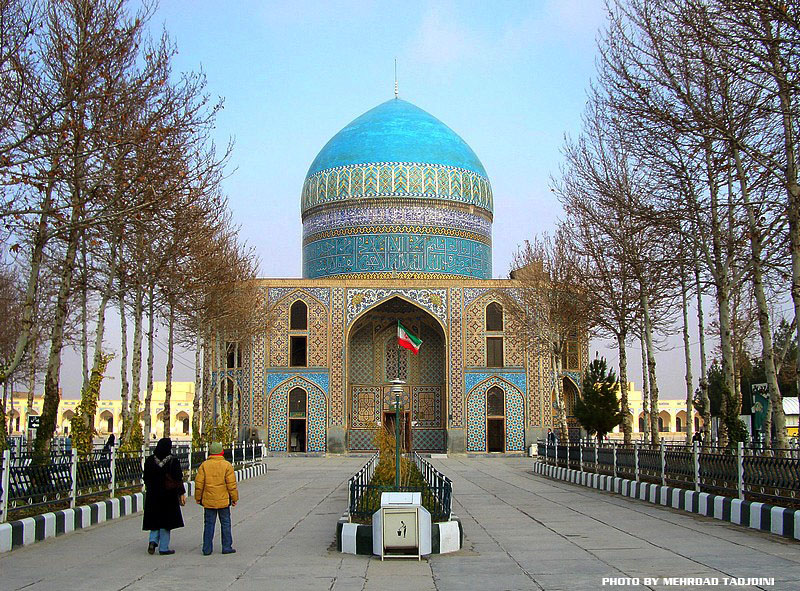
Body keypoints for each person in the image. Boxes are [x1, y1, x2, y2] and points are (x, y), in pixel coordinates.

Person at [142, 437, 186, 555]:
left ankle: (152, 541)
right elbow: (178, 478)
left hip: (153, 495)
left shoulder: (150, 460)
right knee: (166, 522)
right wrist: (181, 493)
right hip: (168, 495)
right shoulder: (173, 461)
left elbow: (145, 477)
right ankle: (164, 548)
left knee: (155, 519)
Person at [195, 442, 239, 556]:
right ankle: (226, 546)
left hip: (209, 500)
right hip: (223, 500)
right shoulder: (227, 465)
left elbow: (199, 484)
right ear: (221, 452)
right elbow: (231, 485)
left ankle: (207, 548)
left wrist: (198, 498)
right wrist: (234, 498)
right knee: (225, 523)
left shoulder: (204, 465)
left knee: (209, 524)